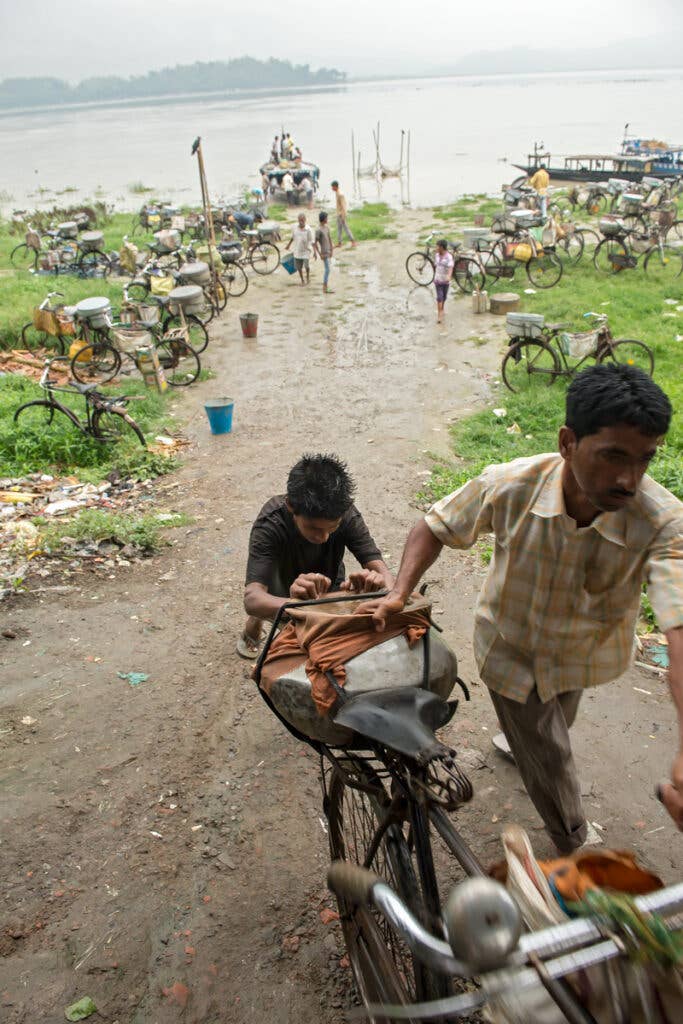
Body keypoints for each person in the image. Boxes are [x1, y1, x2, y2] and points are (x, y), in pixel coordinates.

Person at [361, 365, 683, 850]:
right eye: (613, 455)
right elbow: (434, 525)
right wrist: (400, 592)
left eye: (644, 459)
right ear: (568, 442)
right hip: (511, 650)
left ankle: (520, 742)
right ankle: (572, 837)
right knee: (551, 755)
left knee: (557, 718)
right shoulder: (510, 486)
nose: (629, 479)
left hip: (583, 654)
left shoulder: (661, 522)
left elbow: (679, 629)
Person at [237, 453, 393, 659]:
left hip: (330, 583)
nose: (323, 537)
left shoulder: (344, 513)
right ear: (291, 507)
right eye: (313, 527)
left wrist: (379, 587)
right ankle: (255, 623)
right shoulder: (271, 523)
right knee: (271, 614)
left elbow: (382, 572)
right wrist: (297, 605)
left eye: (332, 527)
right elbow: (253, 599)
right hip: (283, 590)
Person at [285, 212, 315, 285]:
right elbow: (293, 237)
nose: (301, 222)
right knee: (299, 268)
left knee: (307, 266)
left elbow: (311, 241)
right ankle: (302, 280)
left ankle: (307, 277)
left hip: (306, 250)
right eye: (299, 220)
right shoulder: (295, 228)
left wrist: (315, 252)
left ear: (305, 220)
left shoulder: (308, 229)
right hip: (297, 251)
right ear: (298, 220)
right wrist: (288, 245)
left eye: (302, 220)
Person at [433, 239, 454, 324]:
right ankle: (439, 315)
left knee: (444, 297)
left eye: (437, 246)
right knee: (439, 297)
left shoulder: (449, 257)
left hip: (445, 281)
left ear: (442, 247)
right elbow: (435, 265)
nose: (436, 248)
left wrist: (449, 276)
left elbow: (450, 268)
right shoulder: (437, 255)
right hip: (438, 280)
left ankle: (442, 309)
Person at [331, 180, 356, 247]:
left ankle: (353, 241)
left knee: (345, 228)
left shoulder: (340, 194)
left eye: (332, 187)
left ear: (335, 186)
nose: (332, 188)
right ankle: (339, 242)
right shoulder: (337, 193)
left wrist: (343, 216)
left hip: (341, 214)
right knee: (339, 229)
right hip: (338, 214)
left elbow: (343, 206)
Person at [314, 211, 334, 294]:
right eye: (326, 218)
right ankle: (324, 287)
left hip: (328, 251)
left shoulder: (326, 228)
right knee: (327, 270)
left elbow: (329, 239)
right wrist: (319, 254)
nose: (327, 219)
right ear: (323, 219)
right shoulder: (318, 230)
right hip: (324, 252)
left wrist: (332, 249)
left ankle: (325, 286)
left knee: (328, 269)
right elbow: (315, 243)